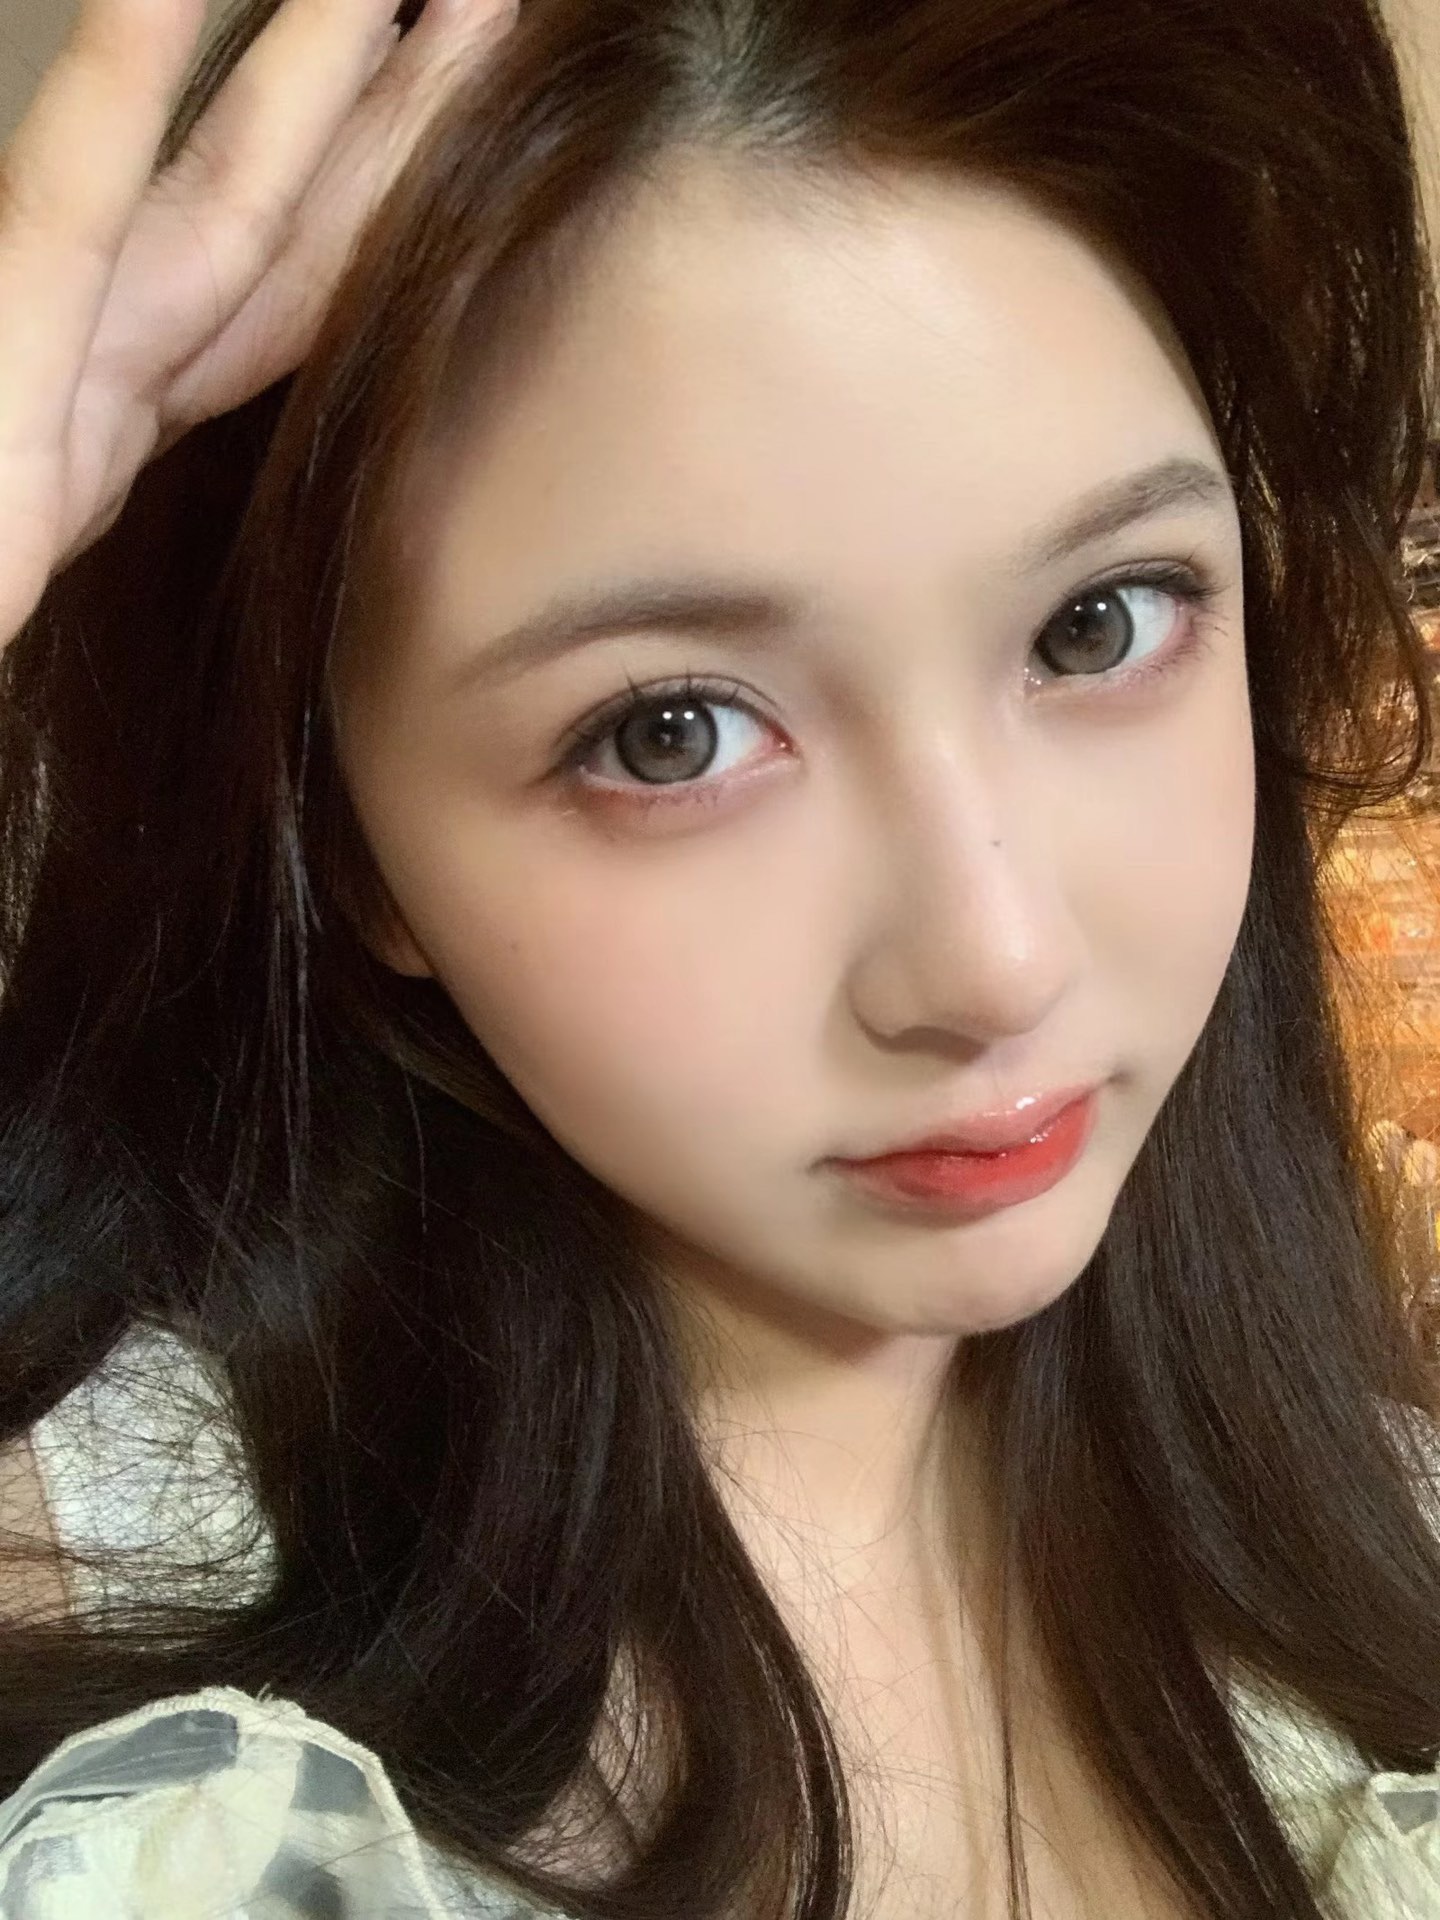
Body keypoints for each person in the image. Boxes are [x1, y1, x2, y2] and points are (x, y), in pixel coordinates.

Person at [0, 0, 1437, 1915]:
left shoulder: (1395, 1530)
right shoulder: (98, 1629)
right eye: (669, 733)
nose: (995, 963)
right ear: (347, 838)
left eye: (1098, 625)